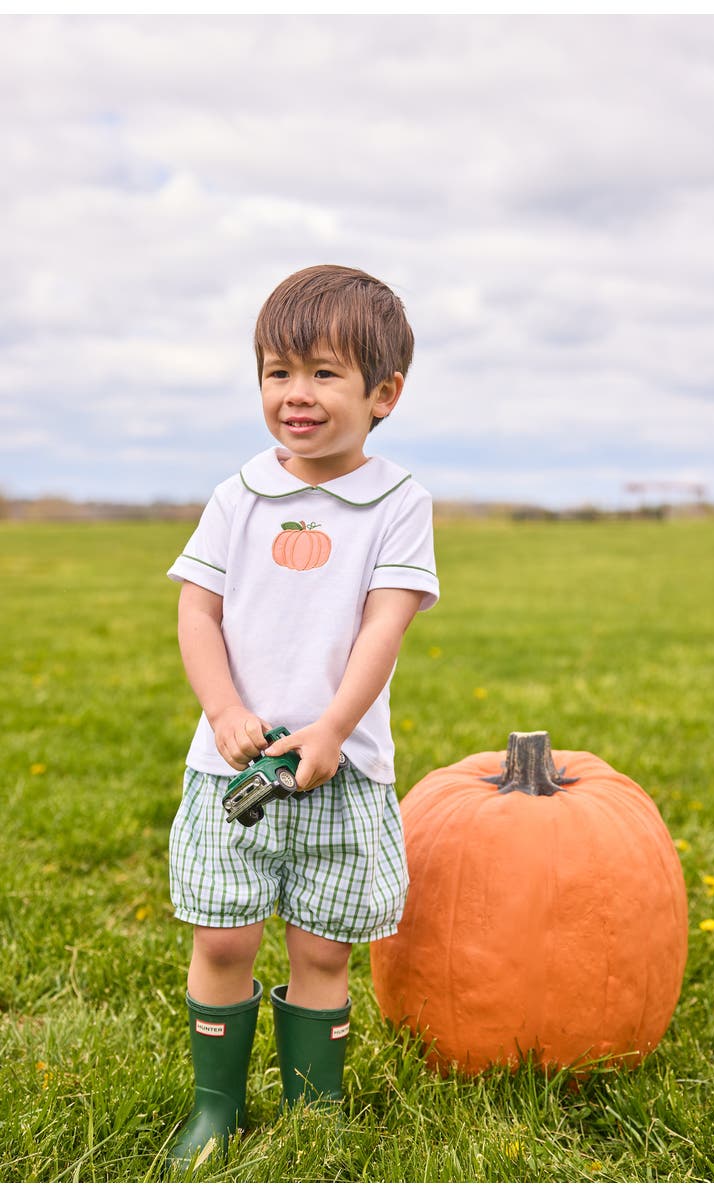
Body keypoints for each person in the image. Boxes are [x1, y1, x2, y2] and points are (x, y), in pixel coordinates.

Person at [165, 264, 439, 1169]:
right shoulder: (237, 495)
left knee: (322, 953)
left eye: (324, 373)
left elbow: (382, 626)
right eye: (278, 371)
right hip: (231, 767)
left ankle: (316, 1115)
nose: (297, 395)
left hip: (340, 769)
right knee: (223, 935)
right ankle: (215, 1109)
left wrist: (327, 729)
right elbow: (197, 612)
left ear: (383, 393)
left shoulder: (396, 503)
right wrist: (226, 708)